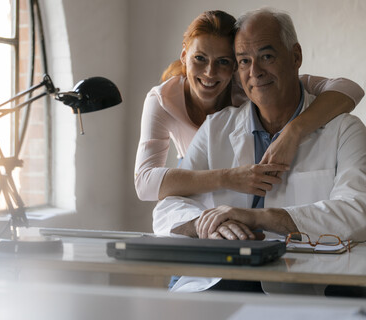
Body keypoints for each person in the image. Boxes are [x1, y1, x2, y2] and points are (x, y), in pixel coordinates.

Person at [153, 8, 366, 295]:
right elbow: (167, 208)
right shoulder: (215, 128)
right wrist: (206, 224)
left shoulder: (344, 130)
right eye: (244, 61)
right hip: (219, 282)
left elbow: (357, 212)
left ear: (296, 57)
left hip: (303, 287)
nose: (255, 71)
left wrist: (256, 217)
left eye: (267, 56)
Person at [134, 10, 364, 202]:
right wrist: (228, 178)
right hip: (196, 177)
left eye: (223, 62)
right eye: (199, 58)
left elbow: (349, 88)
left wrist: (293, 132)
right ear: (184, 55)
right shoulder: (162, 100)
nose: (209, 73)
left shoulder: (249, 84)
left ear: (234, 66)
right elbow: (145, 184)